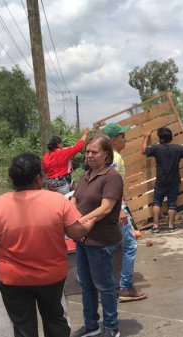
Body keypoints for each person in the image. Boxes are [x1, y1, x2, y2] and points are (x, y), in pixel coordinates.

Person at [0, 153, 96, 337]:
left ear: (13, 179)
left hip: (12, 279)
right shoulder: (57, 201)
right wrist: (89, 225)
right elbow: (76, 232)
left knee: (23, 327)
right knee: (55, 320)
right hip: (51, 277)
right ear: (39, 178)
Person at [71, 135, 124, 337]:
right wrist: (69, 219)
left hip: (101, 240)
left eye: (95, 152)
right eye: (87, 152)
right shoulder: (86, 176)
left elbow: (106, 208)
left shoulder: (111, 177)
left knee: (105, 285)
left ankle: (111, 327)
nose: (90, 156)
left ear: (106, 155)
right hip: (82, 239)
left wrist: (81, 220)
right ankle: (91, 325)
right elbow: (74, 201)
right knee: (86, 284)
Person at [102, 122, 148, 302]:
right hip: (115, 209)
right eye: (122, 137)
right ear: (113, 140)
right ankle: (125, 287)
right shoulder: (115, 159)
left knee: (111, 246)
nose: (125, 140)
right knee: (129, 245)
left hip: (110, 208)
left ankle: (107, 284)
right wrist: (120, 209)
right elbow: (109, 186)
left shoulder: (106, 157)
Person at [141, 127, 183, 233]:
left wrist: (146, 138)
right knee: (172, 204)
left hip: (160, 181)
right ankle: (171, 226)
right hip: (174, 182)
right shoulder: (178, 148)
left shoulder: (157, 148)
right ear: (171, 137)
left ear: (161, 139)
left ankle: (156, 226)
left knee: (157, 203)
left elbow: (143, 151)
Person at [42, 128, 90, 194]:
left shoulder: (45, 156)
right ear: (58, 144)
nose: (63, 144)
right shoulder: (63, 152)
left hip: (50, 184)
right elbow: (78, 146)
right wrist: (85, 134)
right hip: (62, 182)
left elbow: (44, 170)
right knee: (67, 200)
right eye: (62, 143)